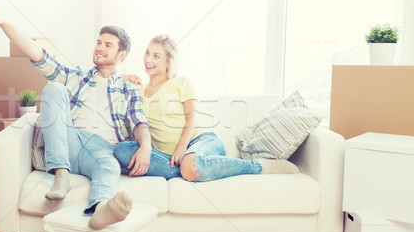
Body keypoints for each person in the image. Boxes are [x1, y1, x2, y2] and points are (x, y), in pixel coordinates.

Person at [0, 0, 152, 229]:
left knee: (110, 167)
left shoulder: (129, 88)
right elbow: (38, 54)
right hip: (69, 141)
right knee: (54, 87)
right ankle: (61, 174)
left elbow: (140, 123)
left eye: (108, 45)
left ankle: (99, 210)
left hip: (102, 149)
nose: (99, 47)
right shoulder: (75, 76)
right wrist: (3, 22)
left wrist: (145, 147)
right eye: (99, 42)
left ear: (121, 56)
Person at [115, 34, 298, 181]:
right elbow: (106, 81)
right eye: (147, 53)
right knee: (121, 150)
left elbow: (192, 119)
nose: (148, 59)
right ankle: (188, 170)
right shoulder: (138, 89)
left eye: (156, 56)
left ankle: (258, 166)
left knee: (189, 163)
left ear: (169, 61)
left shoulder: (181, 82)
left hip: (199, 143)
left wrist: (181, 148)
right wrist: (123, 76)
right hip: (166, 157)